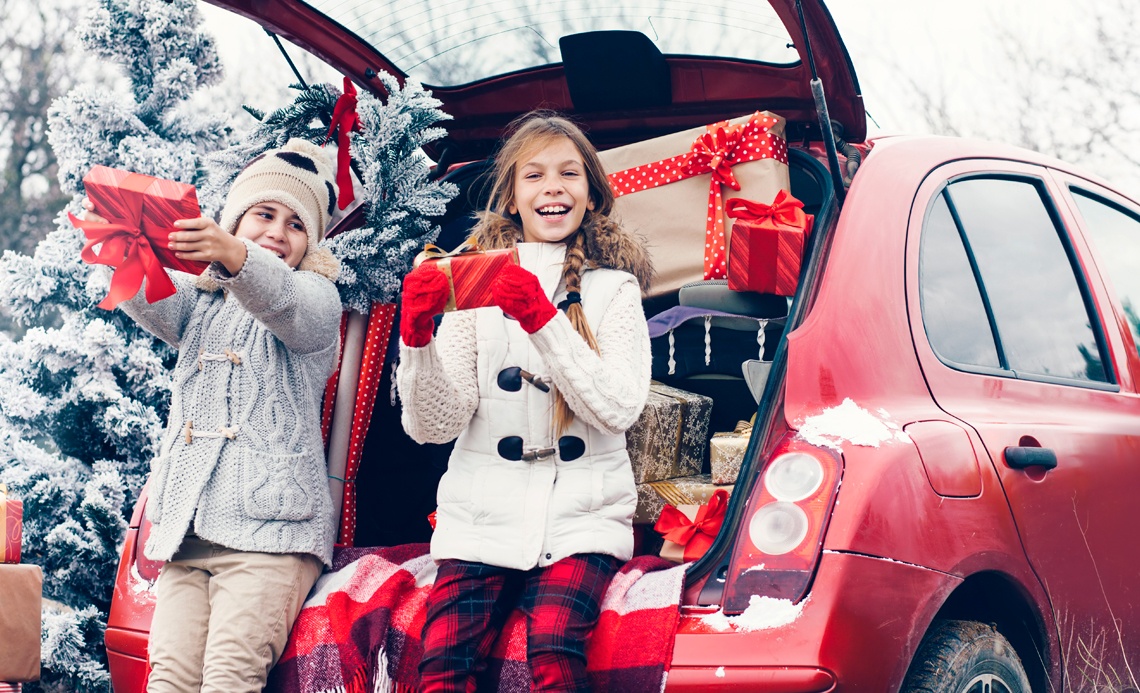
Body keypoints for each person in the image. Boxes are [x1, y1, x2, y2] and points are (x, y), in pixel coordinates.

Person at [396, 112, 654, 692]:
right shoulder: (466, 281)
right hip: (479, 517)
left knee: (556, 651)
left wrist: (542, 319)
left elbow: (618, 408)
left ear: (591, 193)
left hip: (583, 521)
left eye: (569, 174)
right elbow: (434, 426)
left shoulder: (615, 288)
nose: (552, 187)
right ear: (512, 196)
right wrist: (417, 342)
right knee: (441, 664)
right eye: (533, 175)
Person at [85, 139, 343, 692]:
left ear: (311, 243)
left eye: (297, 224)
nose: (277, 232)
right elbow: (150, 296)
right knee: (169, 680)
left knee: (230, 680)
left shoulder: (318, 300)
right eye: (263, 215)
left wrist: (235, 255)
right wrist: (120, 244)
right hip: (190, 534)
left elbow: (287, 304)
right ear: (232, 220)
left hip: (271, 537)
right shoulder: (202, 303)